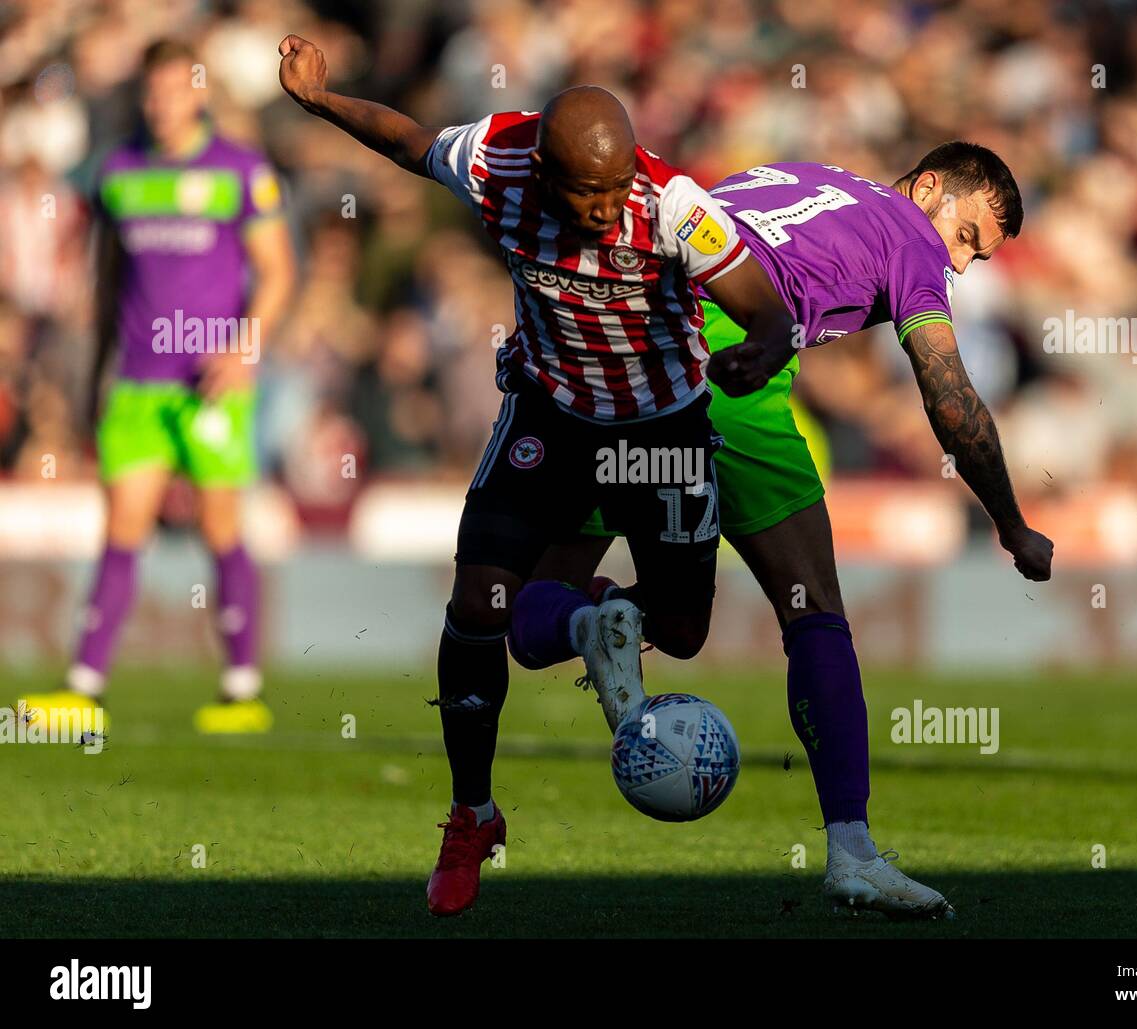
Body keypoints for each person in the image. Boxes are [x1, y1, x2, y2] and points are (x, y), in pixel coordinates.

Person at [276, 35, 796, 917]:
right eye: (585, 190)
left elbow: (764, 311)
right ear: (546, 173)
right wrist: (323, 102)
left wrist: (761, 350)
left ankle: (603, 618)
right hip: (550, 418)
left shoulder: (673, 206)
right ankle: (471, 813)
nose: (603, 206)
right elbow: (409, 143)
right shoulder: (496, 159)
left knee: (682, 627)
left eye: (613, 184)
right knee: (479, 603)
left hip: (661, 430)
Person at [538, 152, 1055, 918]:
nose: (964, 263)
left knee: (555, 599)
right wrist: (1011, 523)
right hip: (732, 362)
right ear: (928, 192)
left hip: (623, 347)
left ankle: (594, 620)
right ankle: (853, 853)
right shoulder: (911, 236)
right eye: (969, 236)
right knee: (814, 612)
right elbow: (949, 395)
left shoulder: (804, 173)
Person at [19, 39, 296, 736]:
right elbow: (107, 275)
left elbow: (279, 270)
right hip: (138, 381)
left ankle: (241, 690)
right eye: (152, 92)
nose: (162, 104)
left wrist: (245, 348)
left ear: (198, 92)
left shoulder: (240, 171)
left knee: (220, 527)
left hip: (211, 383)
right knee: (120, 529)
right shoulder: (117, 170)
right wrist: (94, 369)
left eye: (175, 90)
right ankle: (84, 688)